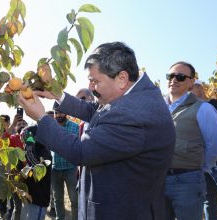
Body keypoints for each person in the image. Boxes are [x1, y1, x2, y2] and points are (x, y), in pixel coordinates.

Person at [18, 41, 175, 219]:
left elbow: (80, 151)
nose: (91, 87)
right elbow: (96, 111)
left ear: (122, 78)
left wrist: (41, 117)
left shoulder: (135, 114)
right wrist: (57, 95)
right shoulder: (134, 95)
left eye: (94, 81)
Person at [164, 61, 217, 220]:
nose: (174, 80)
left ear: (191, 82)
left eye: (180, 77)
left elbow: (213, 147)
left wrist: (197, 169)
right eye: (170, 76)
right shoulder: (158, 108)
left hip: (188, 182)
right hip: (158, 180)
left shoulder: (203, 109)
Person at [191, 80, 217, 220]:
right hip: (201, 164)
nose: (188, 92)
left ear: (199, 87)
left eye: (191, 88)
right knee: (208, 201)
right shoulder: (192, 110)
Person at [19, 124, 52, 220]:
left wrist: (29, 147)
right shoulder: (29, 150)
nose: (23, 141)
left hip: (39, 199)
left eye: (25, 138)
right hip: (29, 197)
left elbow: (37, 169)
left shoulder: (44, 152)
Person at [51, 109, 79, 220]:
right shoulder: (51, 127)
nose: (58, 115)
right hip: (55, 168)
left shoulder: (74, 127)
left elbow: (78, 145)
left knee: (74, 199)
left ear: (66, 113)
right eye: (56, 113)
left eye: (61, 112)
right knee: (57, 199)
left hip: (70, 168)